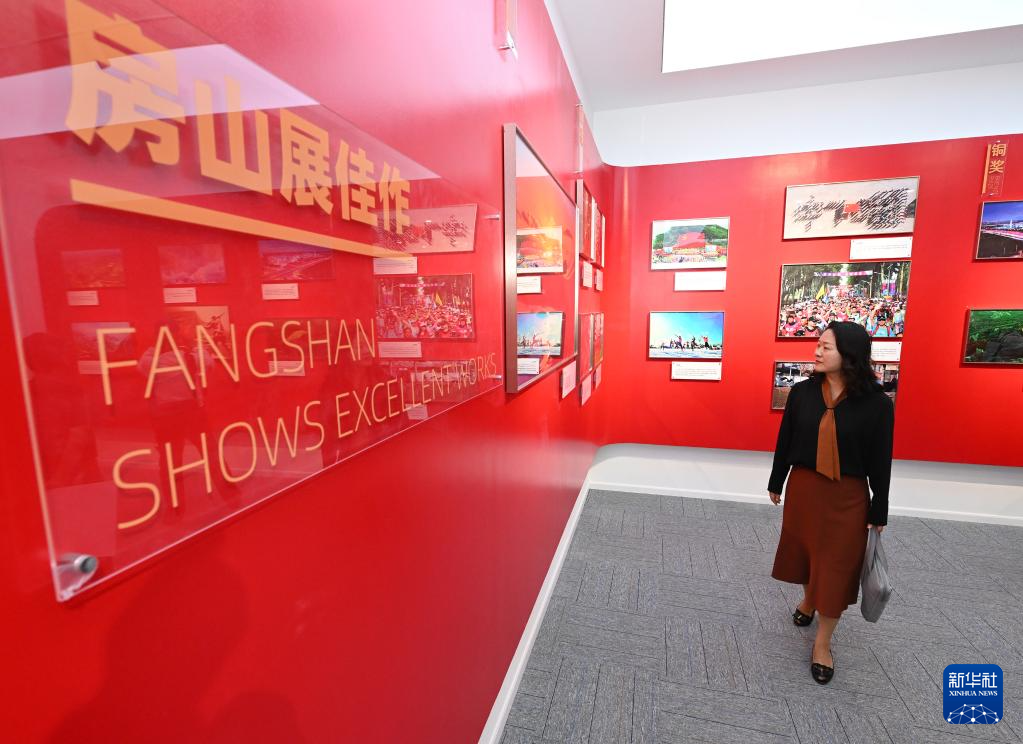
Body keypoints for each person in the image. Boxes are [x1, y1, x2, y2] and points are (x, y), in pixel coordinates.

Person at [767, 321, 894, 685]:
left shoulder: (877, 405)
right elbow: (785, 439)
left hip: (847, 498)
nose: (817, 352)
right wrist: (777, 480)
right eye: (818, 345)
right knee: (807, 554)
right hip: (804, 490)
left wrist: (880, 506)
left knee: (837, 569)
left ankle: (822, 643)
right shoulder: (802, 393)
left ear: (849, 355)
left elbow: (881, 458)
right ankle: (808, 601)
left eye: (826, 347)